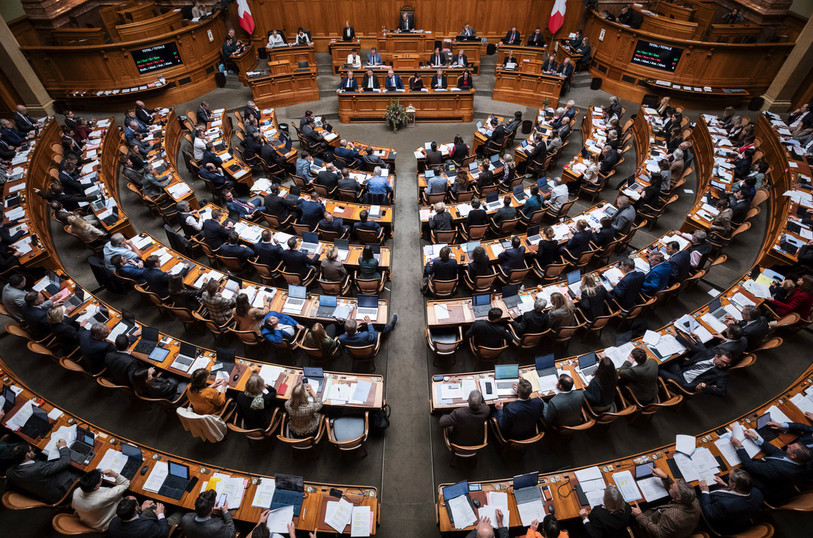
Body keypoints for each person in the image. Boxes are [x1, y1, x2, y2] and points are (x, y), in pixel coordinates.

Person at [731, 430, 811, 506]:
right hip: (770, 473)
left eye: (790, 448)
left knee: (734, 468)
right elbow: (776, 451)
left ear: (793, 456)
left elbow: (750, 466)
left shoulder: (779, 469)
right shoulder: (800, 462)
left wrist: (739, 447)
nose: (788, 445)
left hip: (759, 484)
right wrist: (756, 438)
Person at [659, 328, 732, 396]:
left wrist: (706, 386)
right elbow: (694, 347)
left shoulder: (722, 374)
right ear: (716, 356)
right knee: (669, 361)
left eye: (727, 363)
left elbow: (722, 392)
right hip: (682, 371)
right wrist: (676, 336)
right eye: (723, 362)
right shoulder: (709, 353)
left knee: (659, 369)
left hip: (685, 383)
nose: (725, 365)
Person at [631, 467, 700, 538]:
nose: (670, 485)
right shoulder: (693, 500)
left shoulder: (671, 516)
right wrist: (665, 477)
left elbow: (659, 534)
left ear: (678, 498)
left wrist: (639, 515)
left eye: (671, 487)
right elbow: (677, 490)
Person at [6, 439, 81, 504]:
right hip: (61, 493)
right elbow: (65, 462)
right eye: (32, 450)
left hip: (45, 493)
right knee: (79, 469)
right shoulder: (38, 468)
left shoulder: (9, 472)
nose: (33, 450)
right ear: (27, 455)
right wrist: (62, 446)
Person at [698, 469, 763, 535]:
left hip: (722, 525)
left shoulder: (725, 505)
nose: (728, 480)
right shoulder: (757, 493)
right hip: (740, 518)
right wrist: (725, 485)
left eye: (729, 478)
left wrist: (705, 491)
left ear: (734, 485)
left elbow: (709, 513)